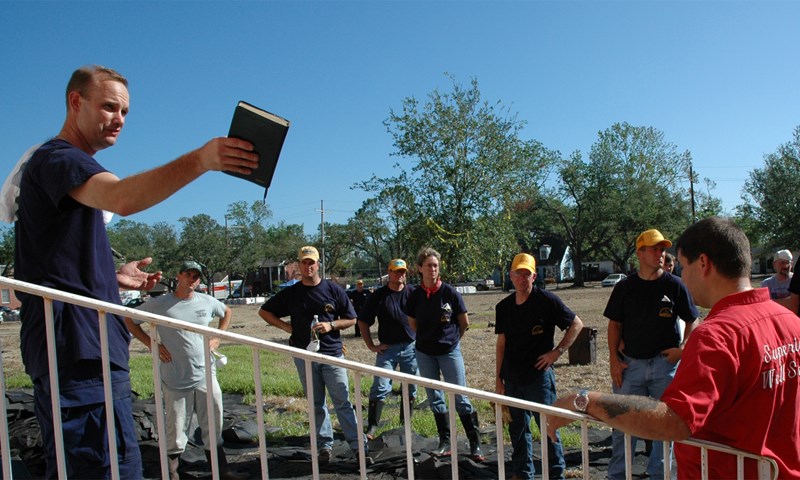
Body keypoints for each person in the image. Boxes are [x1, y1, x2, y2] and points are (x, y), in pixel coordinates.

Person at [12, 65, 257, 479]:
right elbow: (123, 197)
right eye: (109, 107)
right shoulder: (59, 159)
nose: (119, 120)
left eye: (125, 112)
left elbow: (50, 262)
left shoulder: (64, 171)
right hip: (76, 356)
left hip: (92, 354)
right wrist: (201, 160)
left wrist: (109, 275)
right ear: (76, 102)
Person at [548, 217, 800, 479]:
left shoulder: (717, 336)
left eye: (682, 265)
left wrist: (585, 400)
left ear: (703, 263)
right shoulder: (792, 323)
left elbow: (674, 422)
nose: (680, 275)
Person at [125, 261, 247, 480]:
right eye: (188, 275)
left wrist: (219, 336)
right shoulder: (160, 304)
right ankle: (173, 473)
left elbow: (226, 311)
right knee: (177, 423)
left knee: (213, 419)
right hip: (175, 375)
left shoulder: (207, 302)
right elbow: (130, 319)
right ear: (179, 276)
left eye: (196, 276)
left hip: (205, 373)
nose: (192, 279)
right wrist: (152, 344)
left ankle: (221, 471)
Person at [603, 229, 700, 480]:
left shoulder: (674, 284)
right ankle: (617, 475)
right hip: (630, 366)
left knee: (664, 427)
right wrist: (614, 360)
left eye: (663, 249)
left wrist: (683, 349)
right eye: (654, 249)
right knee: (623, 424)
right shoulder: (625, 287)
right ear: (640, 253)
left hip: (663, 367)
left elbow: (693, 319)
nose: (660, 254)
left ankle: (660, 475)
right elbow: (614, 325)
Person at [258, 246, 365, 462]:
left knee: (342, 401)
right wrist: (288, 328)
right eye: (304, 262)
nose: (308, 266)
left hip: (332, 354)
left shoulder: (333, 289)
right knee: (317, 404)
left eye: (312, 262)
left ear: (318, 264)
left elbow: (352, 319)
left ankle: (358, 446)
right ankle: (324, 447)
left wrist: (331, 325)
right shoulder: (292, 292)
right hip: (304, 355)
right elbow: (264, 312)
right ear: (299, 265)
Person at [495, 253, 584, 480]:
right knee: (518, 431)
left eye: (527, 274)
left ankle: (556, 475)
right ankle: (524, 474)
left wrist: (557, 352)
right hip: (513, 379)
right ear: (511, 276)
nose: (522, 278)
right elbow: (501, 344)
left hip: (539, 379)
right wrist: (498, 378)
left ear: (534, 276)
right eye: (518, 274)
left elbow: (576, 324)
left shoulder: (547, 301)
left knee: (548, 427)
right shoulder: (503, 307)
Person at [404, 247, 484, 462]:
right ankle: (445, 441)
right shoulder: (415, 295)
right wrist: (424, 338)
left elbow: (464, 322)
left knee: (460, 396)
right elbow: (412, 322)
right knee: (435, 398)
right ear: (420, 268)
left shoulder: (449, 292)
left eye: (436, 266)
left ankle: (475, 443)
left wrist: (452, 341)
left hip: (449, 351)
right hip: (424, 352)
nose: (433, 269)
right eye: (429, 265)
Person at [357, 258, 418, 439]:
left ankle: (405, 426)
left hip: (411, 347)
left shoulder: (413, 294)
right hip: (387, 350)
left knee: (411, 388)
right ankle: (372, 427)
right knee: (381, 386)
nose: (400, 275)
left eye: (403, 272)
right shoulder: (378, 296)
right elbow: (362, 321)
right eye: (396, 271)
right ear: (389, 273)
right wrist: (371, 346)